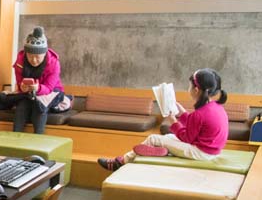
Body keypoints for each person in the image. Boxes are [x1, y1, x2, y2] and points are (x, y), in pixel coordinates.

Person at [98, 69, 228, 171]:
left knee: (154, 139)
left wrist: (172, 120)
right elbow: (197, 125)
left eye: (189, 86)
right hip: (211, 151)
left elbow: (187, 138)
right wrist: (182, 112)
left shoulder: (200, 113)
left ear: (196, 89)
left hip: (201, 153)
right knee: (168, 137)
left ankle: (120, 162)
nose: (188, 89)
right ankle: (163, 151)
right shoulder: (216, 107)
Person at [0, 26, 68, 134]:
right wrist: (22, 87)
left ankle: (37, 140)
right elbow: (20, 82)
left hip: (51, 92)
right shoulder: (20, 62)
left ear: (44, 53)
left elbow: (49, 88)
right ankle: (15, 139)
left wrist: (38, 88)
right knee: (21, 107)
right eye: (30, 56)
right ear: (26, 54)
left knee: (38, 107)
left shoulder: (54, 63)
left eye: (38, 57)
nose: (34, 60)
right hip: (29, 93)